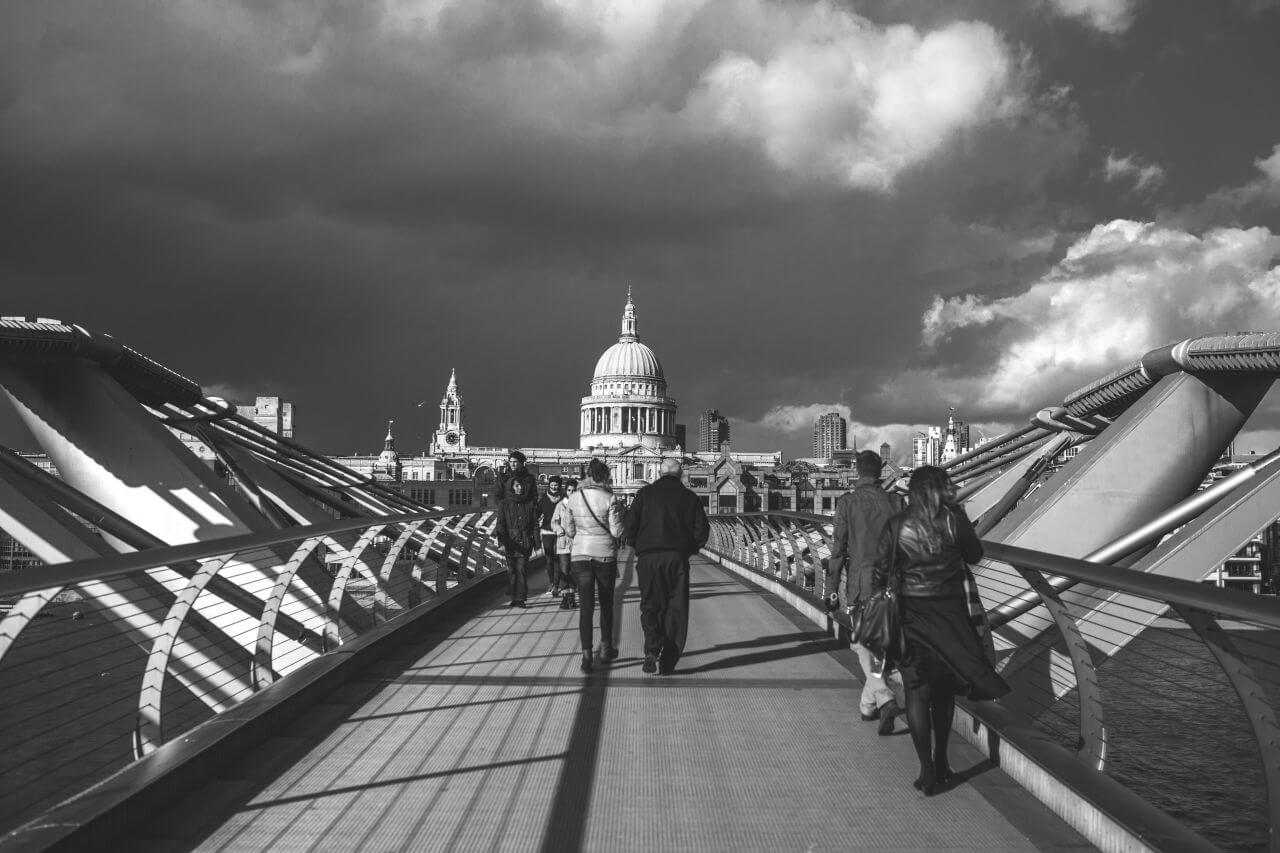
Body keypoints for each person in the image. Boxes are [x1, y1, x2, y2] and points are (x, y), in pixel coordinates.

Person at [871, 465, 1010, 796]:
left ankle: (927, 770)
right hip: (950, 618)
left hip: (910, 618)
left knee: (917, 693)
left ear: (914, 492)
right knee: (944, 693)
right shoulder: (953, 518)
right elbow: (975, 555)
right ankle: (943, 759)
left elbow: (880, 570)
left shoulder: (897, 523)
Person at [824, 450, 905, 735]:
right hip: (894, 584)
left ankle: (883, 698)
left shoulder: (847, 503)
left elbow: (837, 550)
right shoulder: (896, 501)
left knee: (862, 644)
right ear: (881, 470)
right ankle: (868, 705)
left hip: (862, 585)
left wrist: (831, 589)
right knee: (881, 646)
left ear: (857, 471)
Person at [623, 457, 709, 675]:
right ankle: (668, 661)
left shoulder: (644, 494)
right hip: (677, 558)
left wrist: (639, 547)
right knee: (676, 609)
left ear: (659, 473)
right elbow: (702, 532)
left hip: (648, 558)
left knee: (650, 604)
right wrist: (687, 550)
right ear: (680, 474)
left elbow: (629, 526)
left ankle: (651, 649)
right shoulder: (690, 497)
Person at [561, 459, 624, 673]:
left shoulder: (573, 498)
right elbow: (616, 532)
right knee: (606, 604)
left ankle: (586, 656)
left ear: (587, 475)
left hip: (580, 555)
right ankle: (606, 648)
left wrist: (581, 534)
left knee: (586, 607)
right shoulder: (610, 498)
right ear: (605, 475)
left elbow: (569, 530)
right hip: (604, 555)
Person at [494, 476, 538, 608]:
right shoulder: (504, 504)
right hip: (510, 543)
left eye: (521, 485)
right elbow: (500, 524)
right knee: (512, 572)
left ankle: (521, 599)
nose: (520, 488)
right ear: (511, 487)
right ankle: (514, 597)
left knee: (521, 570)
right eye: (517, 485)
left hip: (525, 542)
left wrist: (536, 542)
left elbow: (535, 524)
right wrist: (501, 542)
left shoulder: (529, 503)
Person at [552, 479, 579, 610]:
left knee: (574, 571)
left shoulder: (580, 505)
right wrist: (558, 529)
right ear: (565, 491)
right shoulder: (560, 505)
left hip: (576, 543)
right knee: (564, 571)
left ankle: (572, 597)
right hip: (563, 542)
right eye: (569, 490)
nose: (571, 492)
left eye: (574, 490)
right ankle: (564, 597)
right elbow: (554, 521)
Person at [537, 475, 565, 597]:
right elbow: (537, 513)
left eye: (556, 484)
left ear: (559, 486)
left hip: (560, 531)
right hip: (547, 531)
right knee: (549, 559)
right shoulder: (544, 498)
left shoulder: (564, 498)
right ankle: (551, 582)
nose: (554, 486)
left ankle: (557, 584)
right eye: (552, 484)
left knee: (558, 558)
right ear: (549, 485)